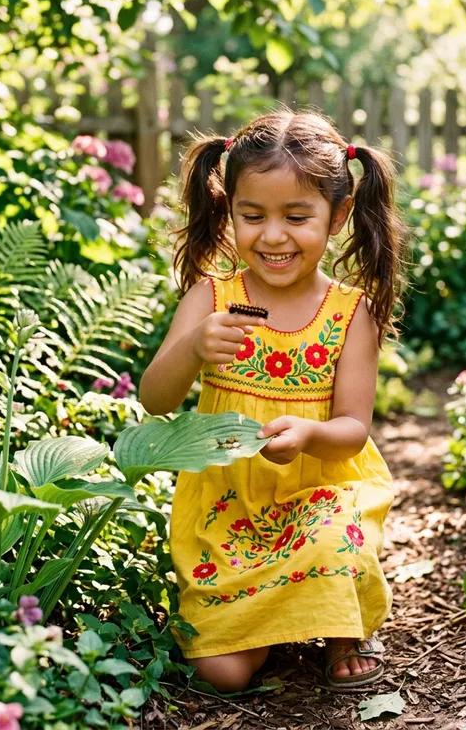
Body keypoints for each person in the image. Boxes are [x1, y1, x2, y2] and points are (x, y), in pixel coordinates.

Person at [139, 110, 409, 693]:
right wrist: (192, 347)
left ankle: (341, 629)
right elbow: (155, 400)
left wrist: (310, 436)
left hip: (318, 500)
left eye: (297, 216)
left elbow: (353, 430)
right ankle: (274, 614)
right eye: (252, 215)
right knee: (224, 674)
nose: (273, 236)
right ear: (227, 207)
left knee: (341, 536)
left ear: (337, 216)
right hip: (227, 511)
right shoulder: (212, 297)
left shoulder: (349, 312)